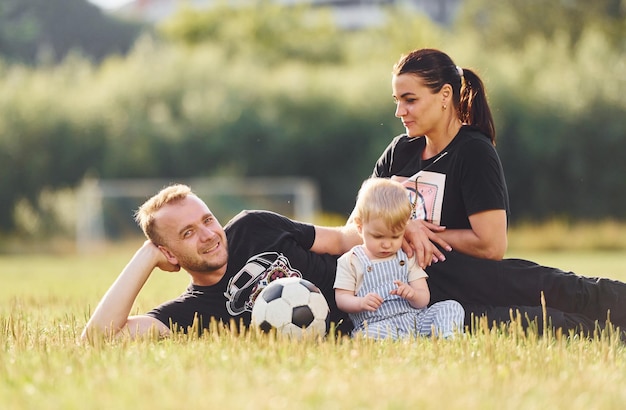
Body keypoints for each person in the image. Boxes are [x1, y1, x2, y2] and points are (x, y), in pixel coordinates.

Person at [369, 47, 626, 336]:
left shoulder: (473, 151)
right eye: (397, 100)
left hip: (481, 280)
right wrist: (404, 231)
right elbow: (362, 219)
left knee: (574, 293)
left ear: (444, 96)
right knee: (550, 326)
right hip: (437, 295)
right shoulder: (399, 152)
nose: (399, 111)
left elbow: (491, 244)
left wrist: (415, 234)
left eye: (409, 100)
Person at [81, 183, 362, 339]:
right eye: (188, 233)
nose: (208, 235)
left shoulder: (253, 226)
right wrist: (146, 255)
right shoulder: (191, 313)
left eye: (208, 220)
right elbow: (96, 338)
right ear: (168, 253)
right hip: (356, 337)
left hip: (380, 293)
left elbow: (341, 239)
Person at [335, 178, 464, 339]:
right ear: (360, 227)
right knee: (366, 335)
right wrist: (360, 303)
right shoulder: (351, 261)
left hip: (416, 320)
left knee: (451, 306)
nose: (387, 244)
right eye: (378, 236)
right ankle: (407, 341)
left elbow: (424, 298)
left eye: (395, 237)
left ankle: (448, 335)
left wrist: (412, 294)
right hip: (378, 324)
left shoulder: (407, 257)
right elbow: (341, 298)